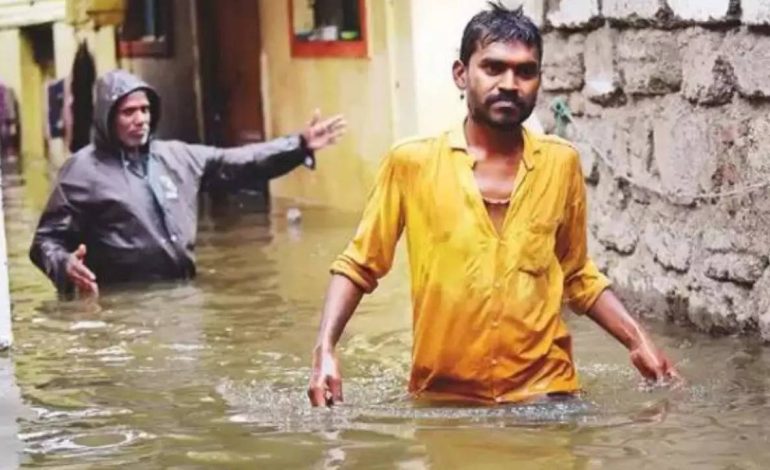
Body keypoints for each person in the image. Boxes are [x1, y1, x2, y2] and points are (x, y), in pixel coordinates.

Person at [307, 3, 680, 407]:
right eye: (493, 67)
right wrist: (325, 349)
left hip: (547, 392)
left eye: (525, 71)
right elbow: (359, 264)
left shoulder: (561, 162)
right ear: (461, 74)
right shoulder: (411, 162)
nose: (509, 83)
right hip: (445, 396)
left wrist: (638, 341)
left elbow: (577, 274)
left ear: (538, 81)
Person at [30, 69, 346, 295]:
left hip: (182, 294)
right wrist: (64, 263)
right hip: (121, 303)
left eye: (144, 110)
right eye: (129, 112)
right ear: (107, 118)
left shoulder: (177, 157)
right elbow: (44, 242)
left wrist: (298, 145)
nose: (140, 119)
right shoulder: (82, 171)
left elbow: (240, 163)